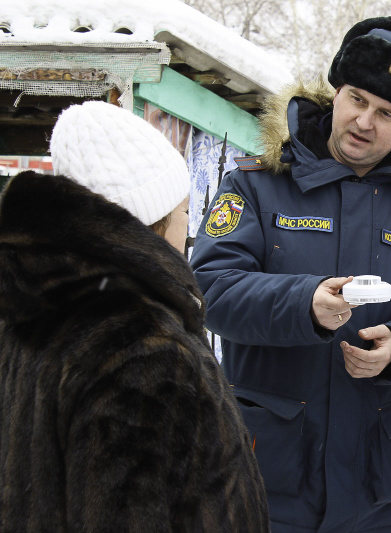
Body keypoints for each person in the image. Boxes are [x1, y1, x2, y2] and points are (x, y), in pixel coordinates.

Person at [189, 16, 391, 533]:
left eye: (387, 112)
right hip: (268, 484)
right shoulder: (256, 187)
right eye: (357, 99)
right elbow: (210, 289)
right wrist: (305, 304)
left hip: (381, 495)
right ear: (335, 93)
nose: (364, 121)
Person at [0, 101, 270, 532]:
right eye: (184, 211)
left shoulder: (27, 312)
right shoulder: (144, 352)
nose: (188, 225)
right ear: (155, 220)